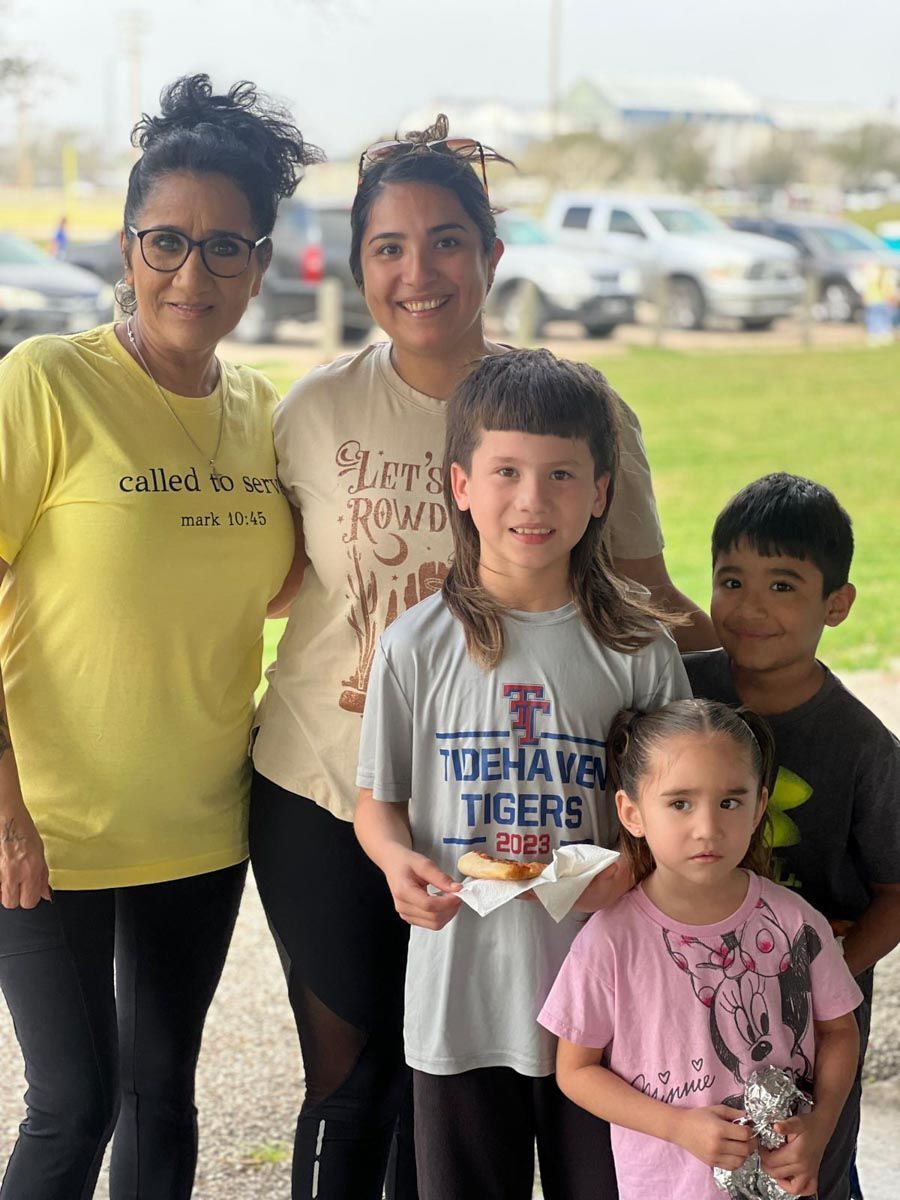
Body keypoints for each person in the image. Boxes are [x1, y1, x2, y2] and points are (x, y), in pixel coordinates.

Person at [251, 114, 715, 1200]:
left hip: (527, 820)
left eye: (448, 240)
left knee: (532, 1081)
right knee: (361, 1076)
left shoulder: (572, 408)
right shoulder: (313, 410)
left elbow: (642, 593)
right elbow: (263, 583)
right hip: (332, 786)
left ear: (492, 255)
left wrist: (780, 677)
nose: (421, 272)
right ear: (358, 261)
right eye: (389, 247)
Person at [0, 74, 318, 1198]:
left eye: (226, 247)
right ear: (128, 246)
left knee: (160, 1098)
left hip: (198, 819)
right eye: (168, 241)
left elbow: (278, 585)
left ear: (262, 261)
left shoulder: (265, 413)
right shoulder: (47, 383)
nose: (195, 274)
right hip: (46, 823)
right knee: (73, 1102)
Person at [353, 347, 691, 1199]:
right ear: (461, 484)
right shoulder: (417, 644)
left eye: (562, 475)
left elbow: (682, 818)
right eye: (506, 471)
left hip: (608, 1009)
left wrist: (638, 868)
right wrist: (398, 864)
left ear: (601, 492)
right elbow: (377, 803)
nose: (533, 500)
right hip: (462, 994)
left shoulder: (638, 651)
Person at [539, 698, 863, 1200]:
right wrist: (677, 1127)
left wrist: (819, 1130)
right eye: (680, 803)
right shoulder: (609, 940)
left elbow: (839, 1031)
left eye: (730, 802)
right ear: (632, 812)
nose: (708, 828)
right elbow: (575, 1071)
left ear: (759, 806)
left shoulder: (796, 922)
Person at [684, 472, 900, 1200]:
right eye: (731, 580)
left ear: (836, 604)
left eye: (783, 586)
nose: (749, 608)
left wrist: (829, 971)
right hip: (686, 1000)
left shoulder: (864, 748)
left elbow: (896, 893)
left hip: (812, 1033)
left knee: (804, 1174)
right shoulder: (676, 695)